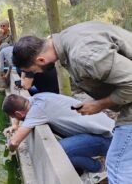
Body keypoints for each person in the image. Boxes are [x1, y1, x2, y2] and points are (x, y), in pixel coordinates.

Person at [12, 21, 132, 183]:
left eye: (33, 71)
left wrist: (99, 105)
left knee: (117, 168)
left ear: (40, 60)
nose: (37, 74)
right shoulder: (69, 37)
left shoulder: (83, 56)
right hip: (121, 112)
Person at [2, 93, 114, 176]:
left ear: (18, 113)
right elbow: (21, 112)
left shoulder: (37, 111)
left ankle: (99, 167)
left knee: (59, 152)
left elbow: (14, 142)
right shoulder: (36, 98)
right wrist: (15, 125)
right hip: (107, 130)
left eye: (14, 117)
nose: (15, 119)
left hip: (108, 139)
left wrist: (8, 146)